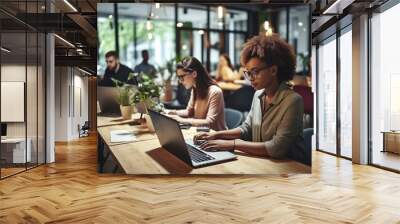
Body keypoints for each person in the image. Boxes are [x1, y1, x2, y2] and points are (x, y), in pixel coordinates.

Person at [194, 34, 305, 160]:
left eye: (255, 72)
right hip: (264, 162)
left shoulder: (293, 101)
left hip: (289, 169)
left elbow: (277, 148)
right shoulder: (258, 95)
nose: (250, 78)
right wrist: (216, 135)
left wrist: (232, 144)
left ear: (273, 70)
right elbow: (247, 129)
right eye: (248, 73)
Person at [166, 56, 226, 131]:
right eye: (179, 78)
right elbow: (188, 112)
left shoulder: (215, 92)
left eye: (182, 77)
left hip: (216, 136)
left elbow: (209, 122)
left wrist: (181, 120)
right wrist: (170, 112)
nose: (180, 81)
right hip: (201, 133)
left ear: (194, 74)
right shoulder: (195, 89)